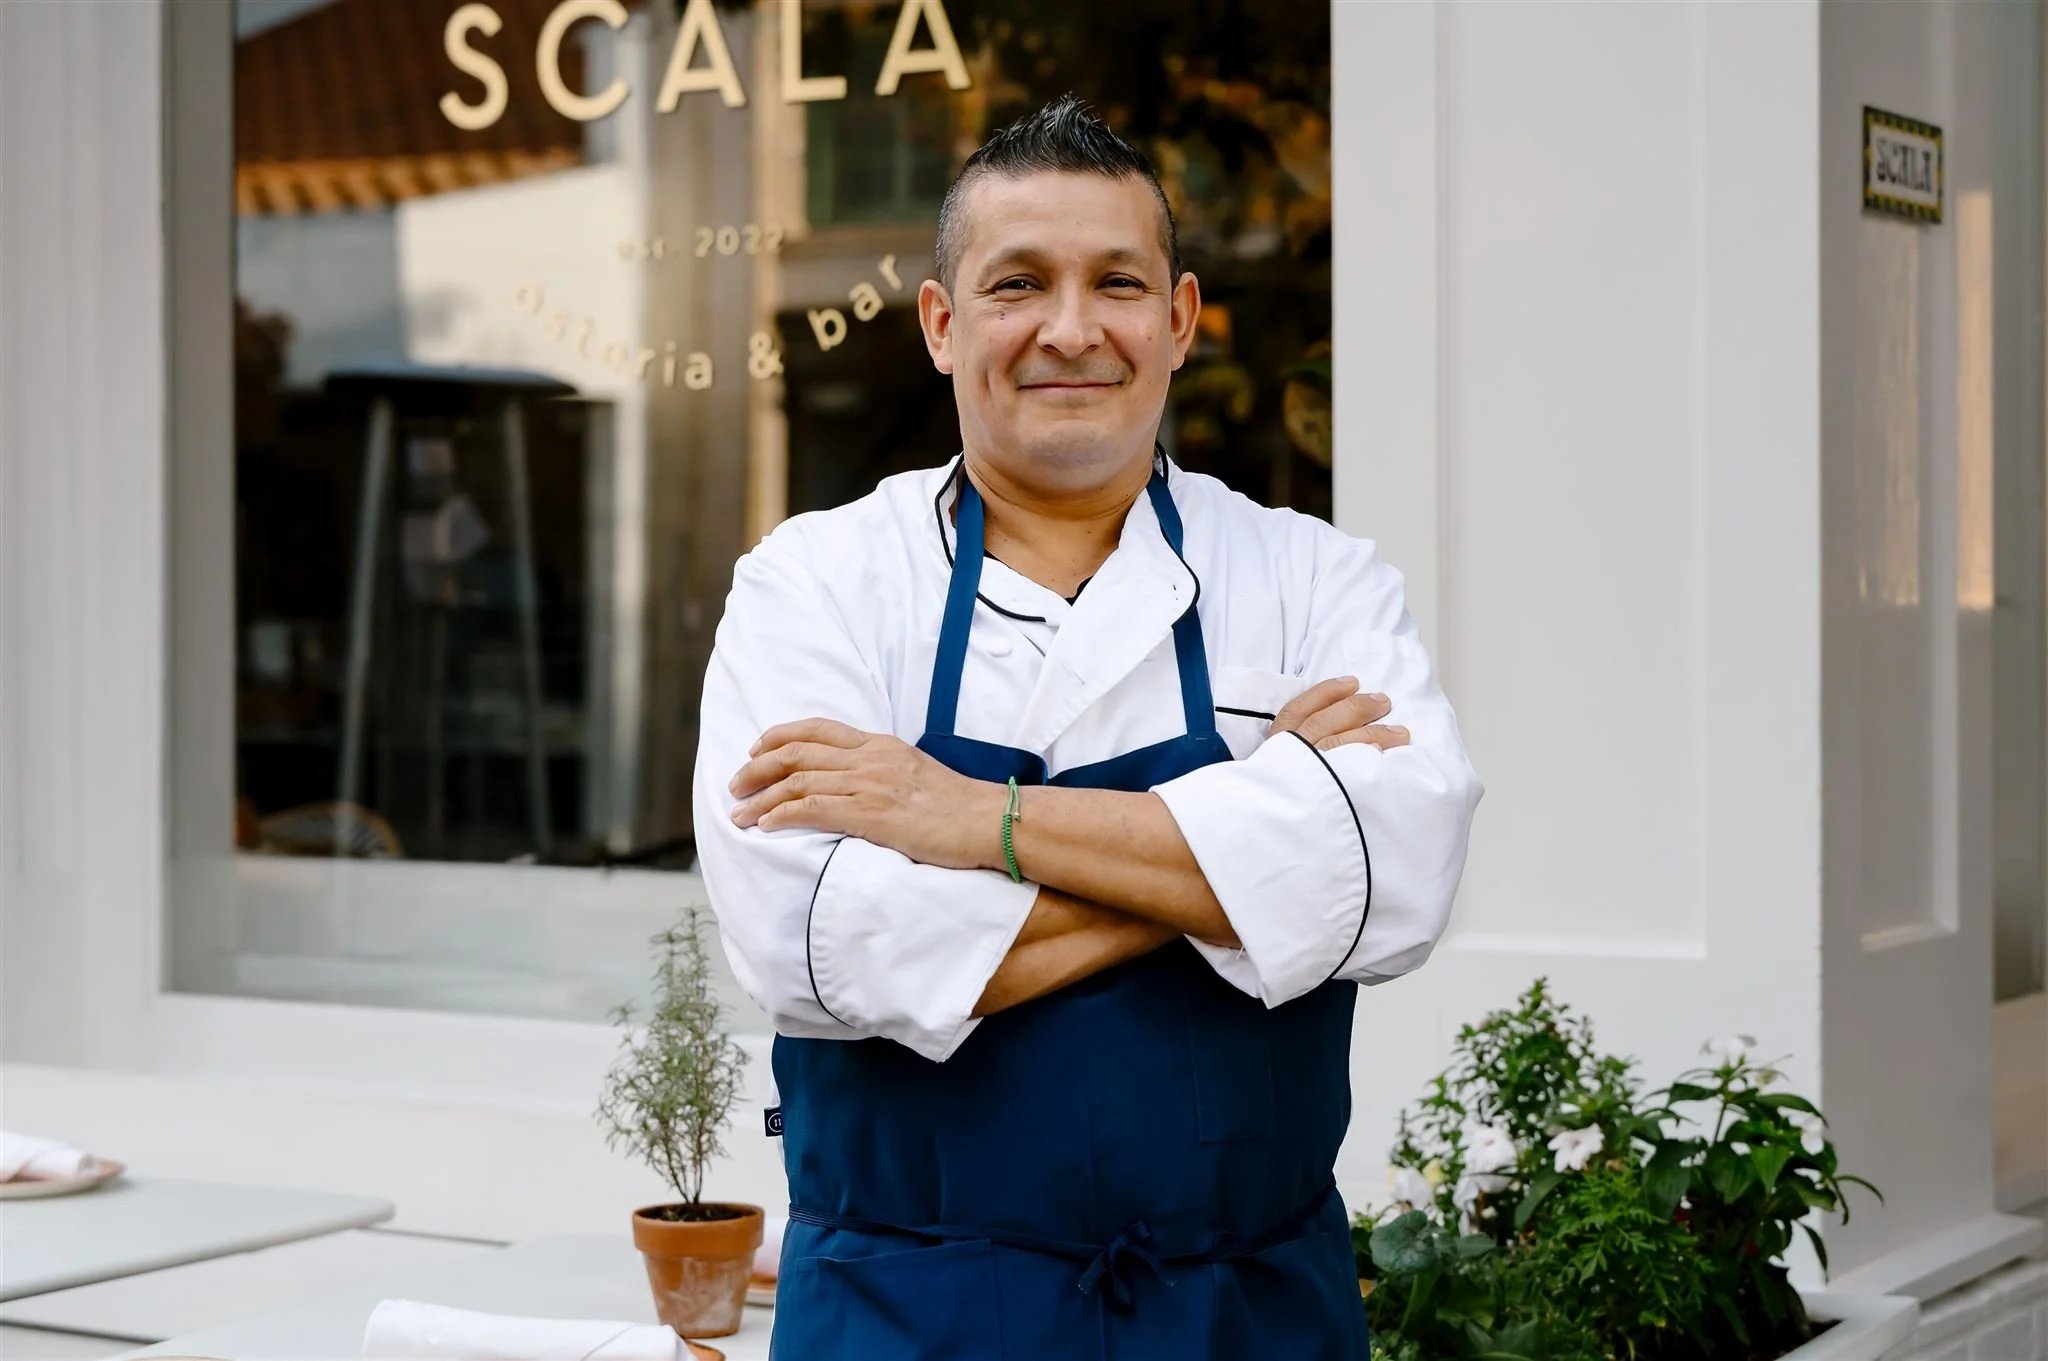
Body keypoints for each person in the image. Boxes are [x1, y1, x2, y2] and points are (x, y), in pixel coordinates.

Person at [694, 94, 1482, 1361]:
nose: (1071, 329)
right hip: (907, 1313)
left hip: (1246, 1313)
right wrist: (1250, 854)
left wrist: (969, 818)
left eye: (1116, 282)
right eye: (1017, 284)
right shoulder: (813, 584)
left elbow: (1397, 871)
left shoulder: (1312, 577)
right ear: (943, 327)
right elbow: (816, 943)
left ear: (1175, 323)